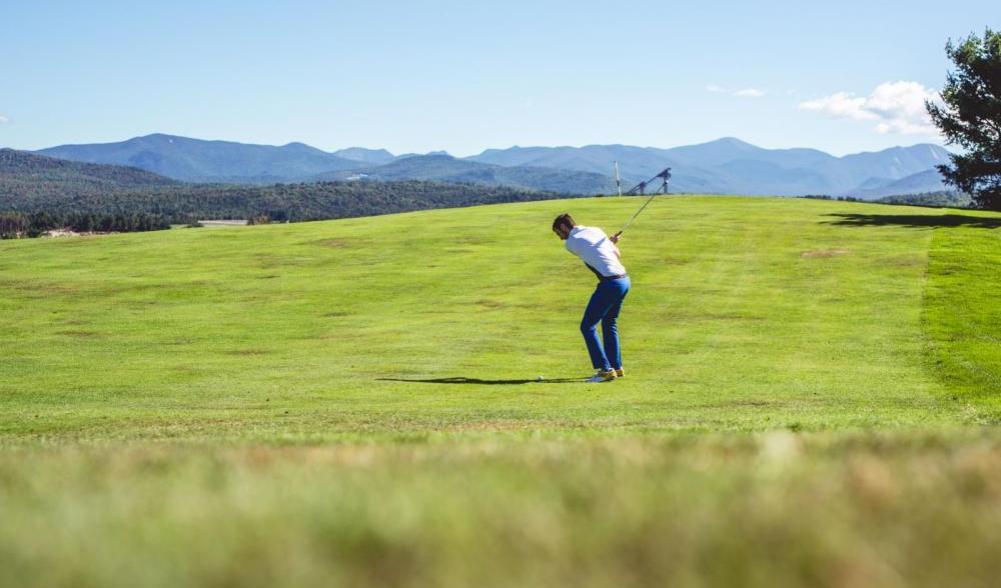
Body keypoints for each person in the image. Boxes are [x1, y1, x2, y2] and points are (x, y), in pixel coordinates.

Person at [552, 213, 631, 383]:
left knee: (587, 326)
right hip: (624, 280)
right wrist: (610, 243)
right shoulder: (596, 230)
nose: (560, 238)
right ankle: (617, 367)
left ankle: (605, 370)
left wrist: (608, 243)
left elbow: (590, 252)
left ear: (564, 227)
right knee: (609, 323)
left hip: (610, 284)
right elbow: (616, 254)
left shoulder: (571, 243)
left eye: (559, 233)